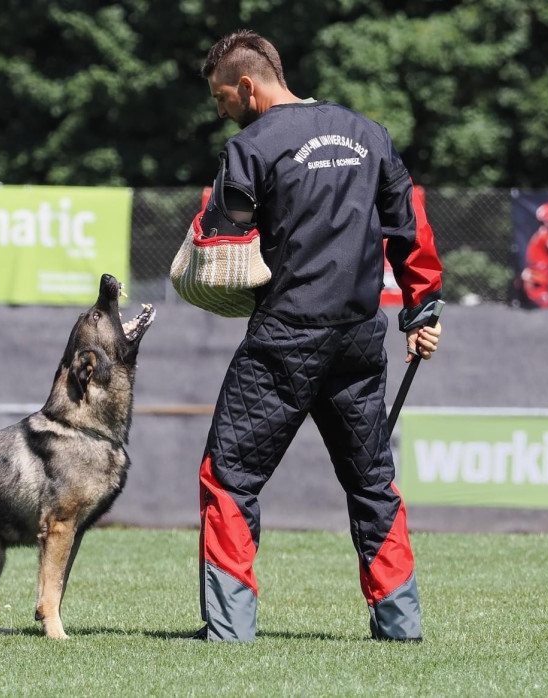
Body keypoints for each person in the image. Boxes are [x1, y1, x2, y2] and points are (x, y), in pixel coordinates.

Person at [189, 30, 443, 642]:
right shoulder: (370, 134)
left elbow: (221, 243)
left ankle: (230, 629)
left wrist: (206, 223)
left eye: (221, 97)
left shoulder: (248, 148)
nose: (220, 110)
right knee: (372, 482)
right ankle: (400, 625)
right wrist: (423, 310)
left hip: (284, 339)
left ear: (247, 85)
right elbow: (410, 229)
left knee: (229, 475)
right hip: (358, 339)